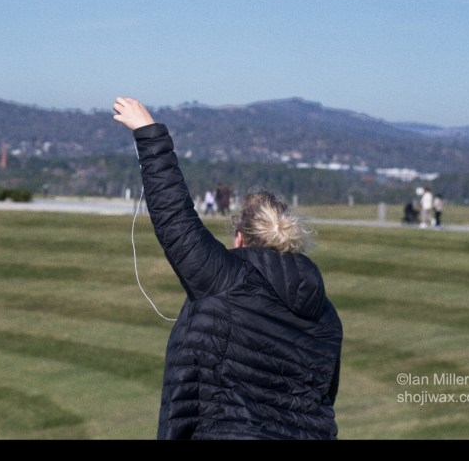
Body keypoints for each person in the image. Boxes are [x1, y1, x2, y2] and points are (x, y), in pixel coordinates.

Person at [113, 96, 342, 440]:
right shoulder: (326, 315)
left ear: (239, 238)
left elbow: (176, 220)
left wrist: (150, 136)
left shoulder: (227, 278)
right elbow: (324, 396)